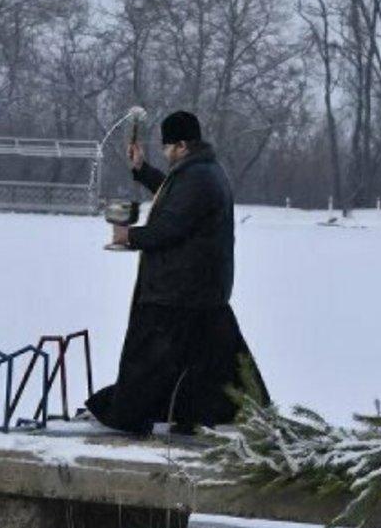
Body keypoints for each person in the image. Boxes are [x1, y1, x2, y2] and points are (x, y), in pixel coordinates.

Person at [85, 111, 269, 435]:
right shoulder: (200, 172)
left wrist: (129, 236)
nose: (166, 153)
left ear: (182, 145)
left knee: (149, 363)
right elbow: (173, 197)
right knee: (206, 362)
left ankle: (128, 413)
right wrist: (142, 171)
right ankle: (205, 413)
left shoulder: (198, 177)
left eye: (168, 147)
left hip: (177, 293)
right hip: (199, 291)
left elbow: (171, 225)